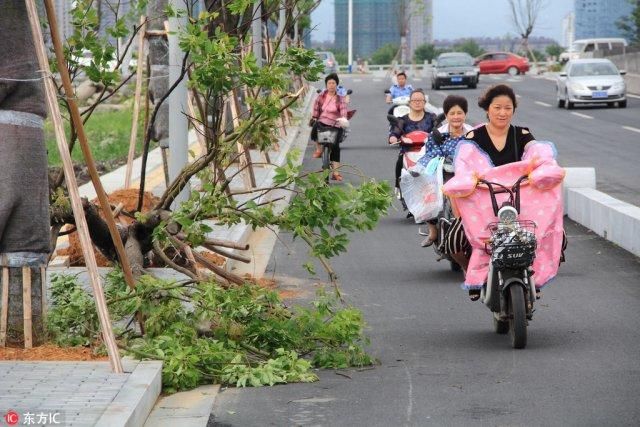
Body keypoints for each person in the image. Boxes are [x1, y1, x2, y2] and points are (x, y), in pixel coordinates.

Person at [443, 84, 565, 300]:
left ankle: (533, 275)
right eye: (497, 107)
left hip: (521, 205)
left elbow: (539, 154)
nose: (502, 113)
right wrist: (465, 183)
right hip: (482, 206)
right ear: (487, 109)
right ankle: (471, 274)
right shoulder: (472, 138)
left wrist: (546, 169)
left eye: (508, 108)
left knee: (559, 236)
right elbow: (463, 168)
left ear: (513, 110)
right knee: (454, 241)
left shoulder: (522, 134)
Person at [413, 95, 474, 247]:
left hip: (469, 176)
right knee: (427, 191)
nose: (456, 117)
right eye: (452, 113)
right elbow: (429, 154)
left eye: (459, 113)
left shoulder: (474, 134)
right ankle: (433, 230)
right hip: (444, 174)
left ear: (465, 114)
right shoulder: (437, 134)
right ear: (446, 115)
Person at [388, 89, 437, 213]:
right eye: (414, 100)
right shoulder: (402, 120)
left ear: (424, 102)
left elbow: (438, 130)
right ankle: (399, 188)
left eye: (420, 100)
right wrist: (393, 137)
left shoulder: (431, 118)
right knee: (399, 162)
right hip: (408, 152)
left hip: (428, 153)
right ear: (410, 102)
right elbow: (395, 132)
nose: (417, 103)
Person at [310, 73, 348, 181]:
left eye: (333, 83)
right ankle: (318, 149)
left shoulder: (340, 99)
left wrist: (343, 119)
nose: (331, 85)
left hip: (335, 125)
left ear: (336, 85)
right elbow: (316, 108)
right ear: (326, 85)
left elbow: (344, 111)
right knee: (314, 128)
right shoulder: (321, 96)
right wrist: (314, 117)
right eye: (329, 83)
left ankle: (336, 173)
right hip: (322, 122)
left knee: (336, 147)